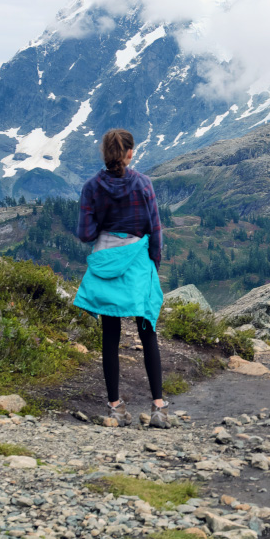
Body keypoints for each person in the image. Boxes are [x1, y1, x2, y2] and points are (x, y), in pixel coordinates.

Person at [73, 129, 169, 428]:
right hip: (137, 261)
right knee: (147, 330)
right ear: (129, 153)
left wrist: (104, 226)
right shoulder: (143, 183)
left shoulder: (91, 187)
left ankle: (115, 408)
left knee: (110, 335)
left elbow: (85, 233)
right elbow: (155, 228)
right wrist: (153, 263)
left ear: (105, 153)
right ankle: (158, 407)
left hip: (105, 260)